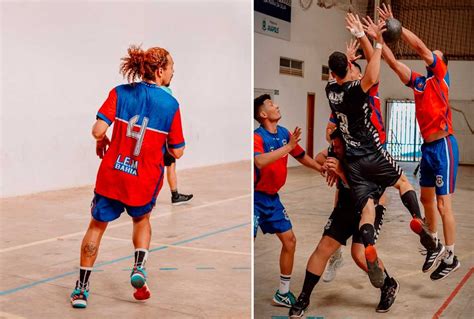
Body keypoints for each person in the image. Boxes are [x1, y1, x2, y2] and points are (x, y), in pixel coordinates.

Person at [325, 13, 436, 289]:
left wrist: (350, 55)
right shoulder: (364, 88)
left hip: (353, 155)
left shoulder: (333, 90)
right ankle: (417, 220)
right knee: (397, 183)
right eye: (352, 67)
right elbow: (372, 69)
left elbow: (340, 75)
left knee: (364, 205)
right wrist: (372, 38)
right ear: (352, 74)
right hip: (372, 149)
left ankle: (366, 244)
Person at [70, 45, 185, 308]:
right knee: (141, 219)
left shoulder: (119, 92)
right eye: (171, 69)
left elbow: (98, 129)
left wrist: (102, 139)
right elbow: (177, 151)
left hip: (113, 175)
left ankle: (81, 290)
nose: (172, 73)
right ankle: (138, 267)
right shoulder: (170, 104)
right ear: (159, 71)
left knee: (96, 227)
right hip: (142, 178)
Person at [373, 3, 460, 280]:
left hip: (444, 145)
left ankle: (451, 255)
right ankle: (432, 242)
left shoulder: (440, 77)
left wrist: (397, 24)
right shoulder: (421, 84)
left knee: (445, 204)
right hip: (428, 149)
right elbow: (394, 64)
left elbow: (422, 48)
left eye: (437, 54)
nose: (433, 53)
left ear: (440, 61)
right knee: (426, 199)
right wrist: (378, 41)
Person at [289, 129, 399, 318]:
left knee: (359, 254)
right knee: (323, 248)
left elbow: (364, 189)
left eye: (339, 146)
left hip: (369, 206)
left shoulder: (364, 157)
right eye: (334, 146)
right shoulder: (335, 149)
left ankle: (388, 284)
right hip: (345, 206)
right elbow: (319, 156)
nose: (335, 149)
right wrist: (326, 165)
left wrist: (341, 172)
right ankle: (304, 297)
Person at [323, 39, 387, 283]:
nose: (352, 74)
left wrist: (372, 43)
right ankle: (337, 252)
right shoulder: (341, 97)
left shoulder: (369, 92)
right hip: (349, 154)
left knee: (374, 198)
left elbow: (372, 68)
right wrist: (334, 150)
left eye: (356, 72)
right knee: (341, 198)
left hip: (371, 153)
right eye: (350, 70)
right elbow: (329, 132)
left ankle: (368, 240)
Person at [254, 94, 324, 307]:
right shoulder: (257, 137)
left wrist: (320, 168)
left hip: (272, 200)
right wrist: (287, 147)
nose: (277, 106)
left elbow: (300, 156)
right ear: (263, 114)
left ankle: (283, 292)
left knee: (290, 241)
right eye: (271, 104)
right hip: (254, 198)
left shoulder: (284, 133)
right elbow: (259, 161)